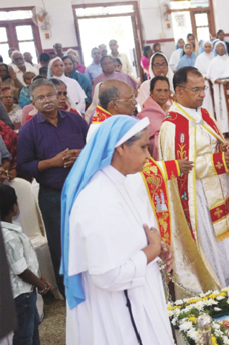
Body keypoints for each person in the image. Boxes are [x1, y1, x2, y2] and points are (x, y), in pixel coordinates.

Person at [61, 115, 174, 345]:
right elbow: (107, 275)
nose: (148, 155)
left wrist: (157, 250)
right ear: (121, 147)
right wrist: (151, 251)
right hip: (120, 313)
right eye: (143, 147)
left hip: (138, 298)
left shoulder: (121, 183)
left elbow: (128, 241)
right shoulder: (97, 199)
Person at [160, 66, 229, 288]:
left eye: (203, 89)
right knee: (211, 243)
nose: (202, 94)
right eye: (196, 90)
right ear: (178, 92)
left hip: (219, 188)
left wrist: (225, 148)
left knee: (228, 238)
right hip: (198, 196)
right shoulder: (172, 126)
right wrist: (218, 162)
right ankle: (215, 286)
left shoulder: (203, 114)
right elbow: (181, 170)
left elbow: (214, 142)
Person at [16, 78, 88, 296]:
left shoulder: (76, 121)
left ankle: (94, 287)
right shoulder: (29, 130)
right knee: (61, 245)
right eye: (41, 98)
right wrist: (52, 162)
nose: (47, 100)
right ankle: (71, 296)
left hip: (83, 192)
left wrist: (81, 155)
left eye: (50, 95)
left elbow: (94, 149)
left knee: (87, 238)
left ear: (58, 96)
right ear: (33, 103)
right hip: (53, 196)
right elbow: (23, 166)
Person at [1, 185, 51, 345]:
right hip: (21, 296)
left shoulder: (12, 230)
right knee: (24, 337)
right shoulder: (9, 236)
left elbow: (26, 260)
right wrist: (41, 285)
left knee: (33, 329)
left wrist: (40, 277)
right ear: (14, 207)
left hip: (27, 292)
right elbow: (21, 270)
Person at [137, 76, 170, 160]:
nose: (163, 94)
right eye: (159, 90)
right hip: (153, 159)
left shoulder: (174, 110)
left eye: (166, 91)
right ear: (151, 92)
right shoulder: (143, 115)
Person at [207, 41, 229, 133]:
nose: (221, 48)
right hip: (219, 87)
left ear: (225, 48)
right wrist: (221, 82)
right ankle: (224, 130)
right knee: (221, 108)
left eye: (222, 46)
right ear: (215, 49)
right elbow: (211, 77)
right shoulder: (213, 62)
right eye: (218, 47)